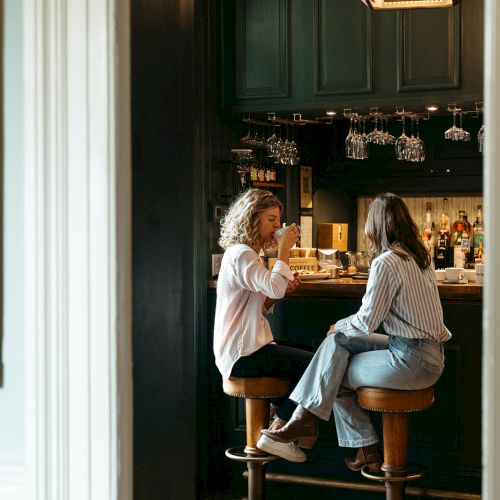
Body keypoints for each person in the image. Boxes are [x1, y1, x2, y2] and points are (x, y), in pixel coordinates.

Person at [260, 192, 452, 471]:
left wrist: (338, 325)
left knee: (333, 365)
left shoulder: (386, 262)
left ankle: (311, 426)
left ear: (373, 226)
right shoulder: (419, 255)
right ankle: (324, 432)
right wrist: (339, 332)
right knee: (335, 349)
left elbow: (367, 321)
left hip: (411, 361)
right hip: (427, 354)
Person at [213, 188, 314, 462]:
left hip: (248, 347)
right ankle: (279, 431)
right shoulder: (242, 254)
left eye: (277, 219)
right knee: (314, 364)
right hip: (243, 353)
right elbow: (273, 286)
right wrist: (284, 251)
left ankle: (277, 424)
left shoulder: (245, 254)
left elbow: (262, 299)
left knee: (315, 357)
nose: (277, 226)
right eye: (271, 219)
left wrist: (275, 293)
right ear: (252, 219)